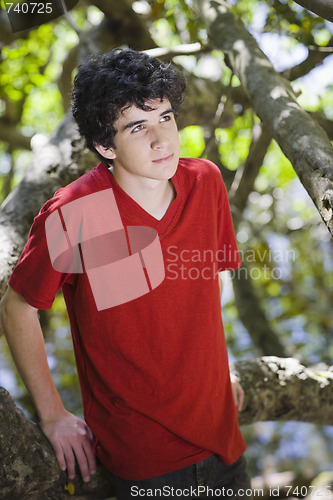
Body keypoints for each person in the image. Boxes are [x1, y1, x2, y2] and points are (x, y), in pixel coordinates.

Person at [0, 48, 251, 499]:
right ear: (105, 145)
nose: (162, 140)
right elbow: (17, 308)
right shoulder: (74, 212)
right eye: (139, 127)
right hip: (143, 463)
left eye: (166, 118)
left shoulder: (206, 183)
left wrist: (219, 370)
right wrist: (54, 414)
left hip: (225, 440)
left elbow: (198, 296)